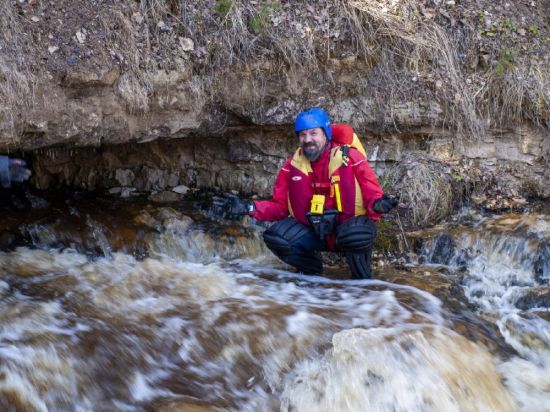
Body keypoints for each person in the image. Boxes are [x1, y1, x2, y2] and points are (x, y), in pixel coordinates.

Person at [215, 108, 397, 278]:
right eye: (303, 135)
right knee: (277, 237)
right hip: (315, 233)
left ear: (326, 134)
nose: (308, 139)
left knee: (357, 234)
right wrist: (248, 207)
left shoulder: (351, 158)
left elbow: (372, 194)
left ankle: (362, 282)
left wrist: (379, 204)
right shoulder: (290, 166)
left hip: (346, 231)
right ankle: (312, 278)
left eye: (313, 133)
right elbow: (280, 207)